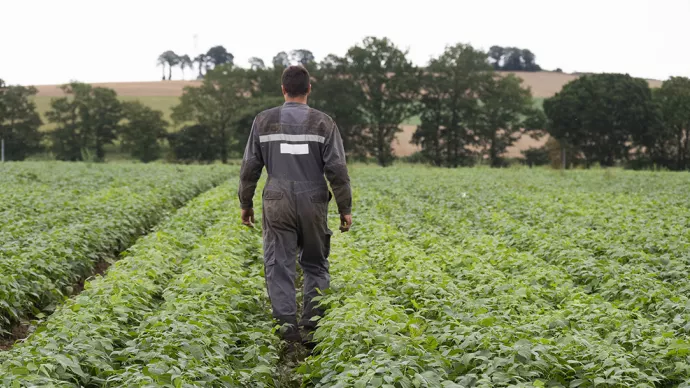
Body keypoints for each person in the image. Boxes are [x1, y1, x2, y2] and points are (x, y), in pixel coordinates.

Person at [238, 65, 353, 347]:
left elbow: (250, 167)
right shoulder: (324, 123)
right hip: (314, 200)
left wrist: (246, 202)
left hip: (276, 200)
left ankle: (287, 331)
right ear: (309, 89)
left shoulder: (263, 122)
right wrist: (344, 208)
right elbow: (337, 169)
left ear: (283, 89)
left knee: (279, 265)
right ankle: (312, 329)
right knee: (315, 262)